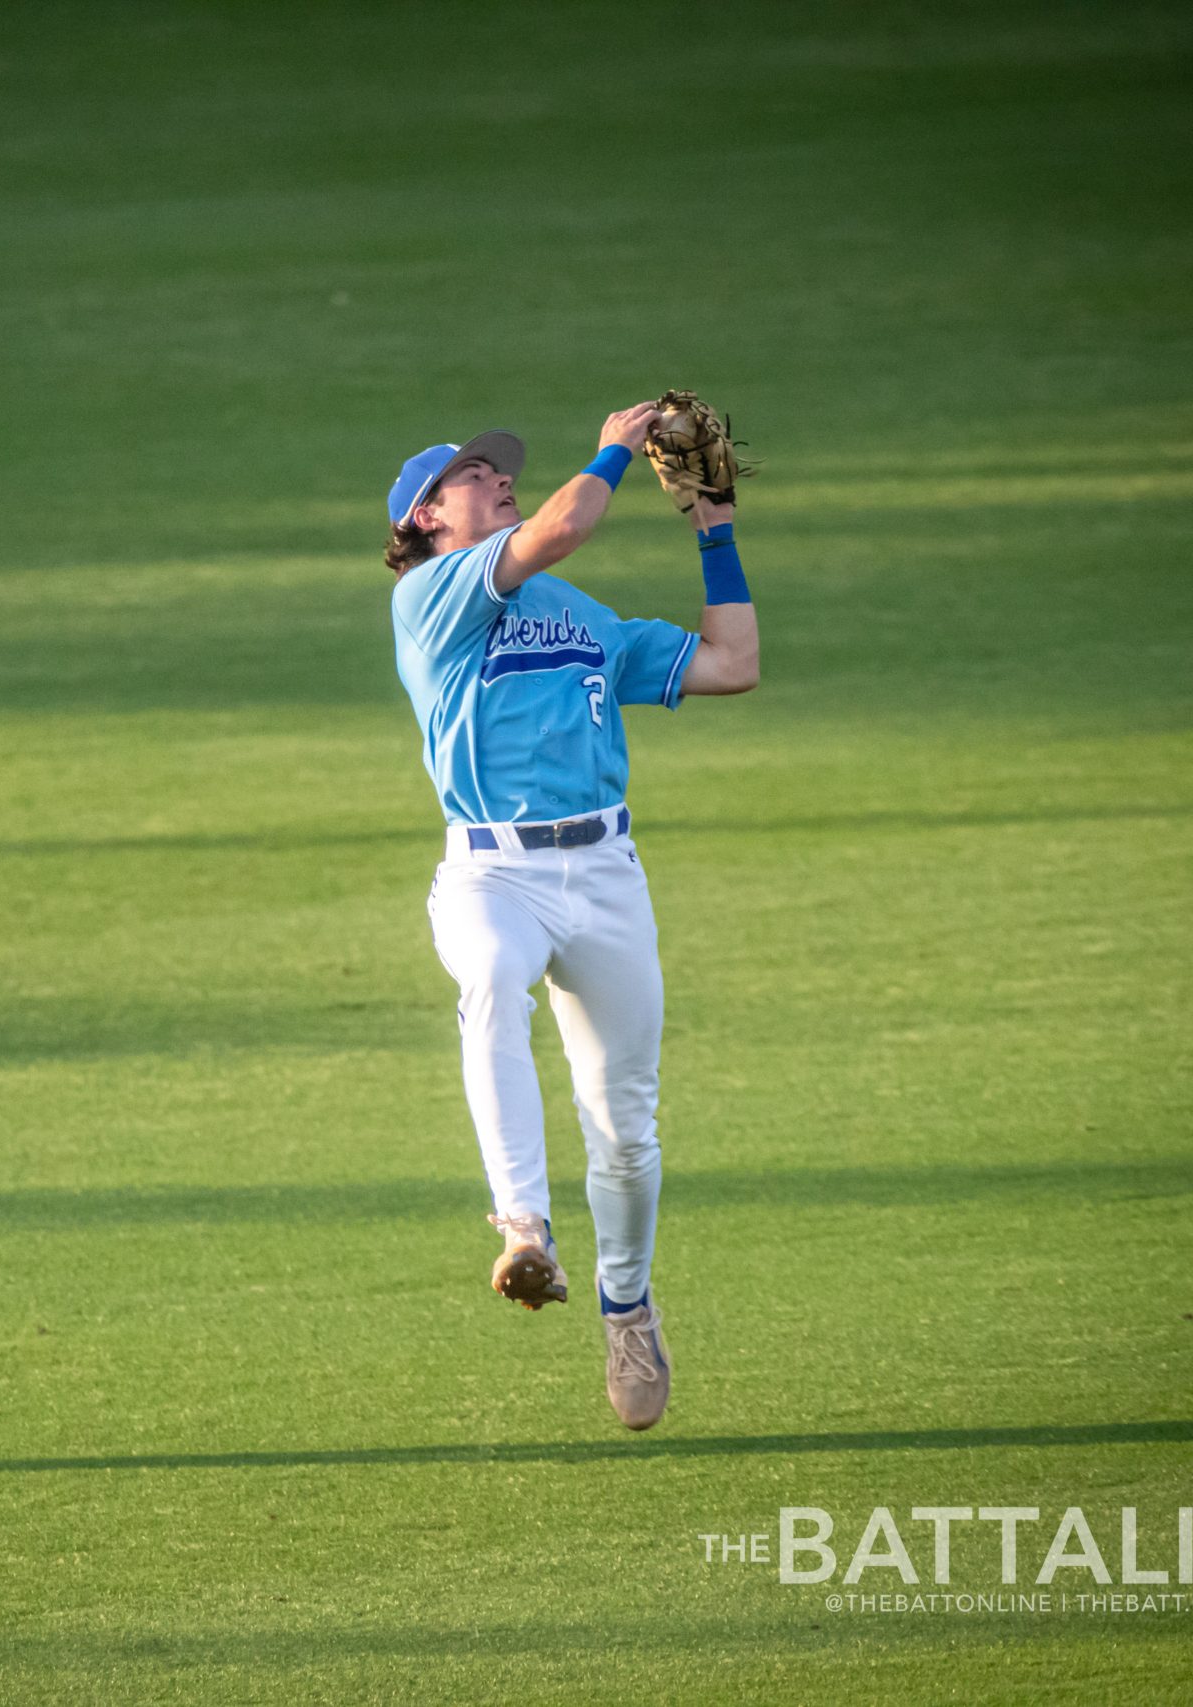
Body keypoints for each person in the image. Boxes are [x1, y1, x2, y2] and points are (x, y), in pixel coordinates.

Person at [385, 406, 760, 1430]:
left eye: (501, 472)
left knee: (626, 1133)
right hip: (490, 875)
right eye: (473, 475)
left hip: (604, 872)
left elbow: (732, 663)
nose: (497, 479)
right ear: (425, 516)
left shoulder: (579, 616)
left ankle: (626, 1307)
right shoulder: (430, 598)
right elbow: (560, 525)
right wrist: (610, 445)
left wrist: (713, 530)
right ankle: (522, 1230)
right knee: (490, 980)